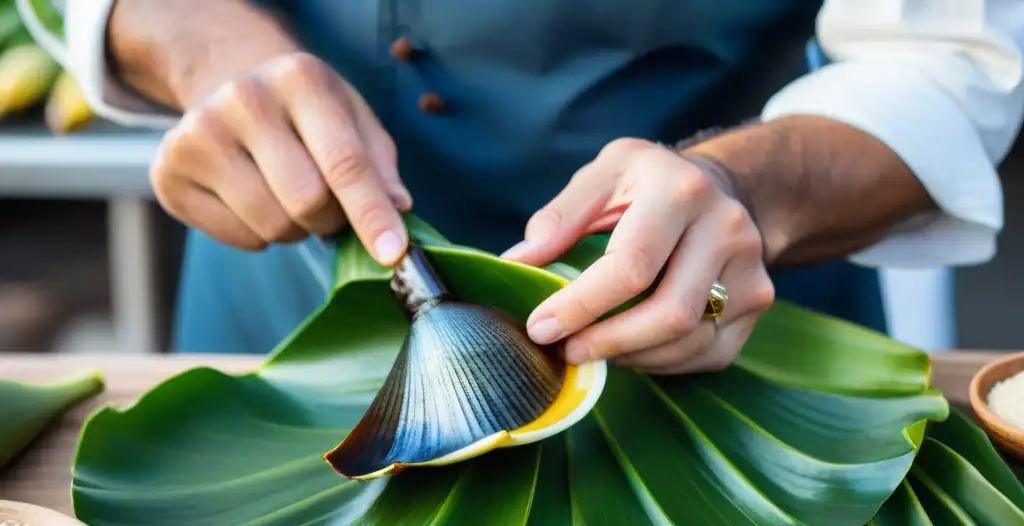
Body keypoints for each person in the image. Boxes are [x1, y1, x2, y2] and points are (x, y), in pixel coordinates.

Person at [22, 0, 1024, 372]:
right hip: (278, 325)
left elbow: (951, 53)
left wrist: (737, 184)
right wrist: (199, 46)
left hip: (715, 334)